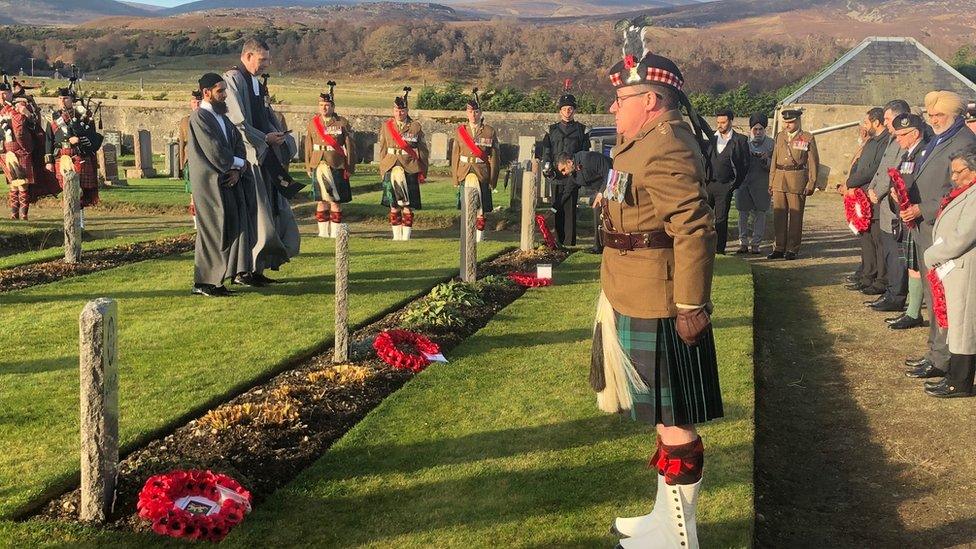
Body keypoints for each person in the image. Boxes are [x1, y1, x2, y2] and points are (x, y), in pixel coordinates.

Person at [591, 52, 720, 549]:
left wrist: (690, 304)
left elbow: (691, 226)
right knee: (663, 417)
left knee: (674, 419)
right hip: (633, 288)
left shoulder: (665, 145)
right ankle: (662, 519)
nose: (612, 107)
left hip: (662, 300)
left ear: (650, 100)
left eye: (621, 99)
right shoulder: (639, 141)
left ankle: (678, 538)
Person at [903, 91, 976, 380]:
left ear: (955, 116)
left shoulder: (965, 143)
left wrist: (923, 207)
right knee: (934, 299)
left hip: (944, 229)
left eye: (940, 116)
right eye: (931, 116)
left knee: (945, 300)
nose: (934, 120)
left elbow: (962, 189)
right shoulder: (938, 139)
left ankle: (943, 359)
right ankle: (934, 354)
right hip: (927, 228)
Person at [223, 37, 300, 286]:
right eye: (262, 59)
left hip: (264, 156)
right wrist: (264, 138)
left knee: (267, 213)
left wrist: (279, 137)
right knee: (252, 213)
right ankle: (242, 271)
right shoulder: (233, 80)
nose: (266, 64)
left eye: (267, 59)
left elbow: (265, 116)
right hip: (249, 158)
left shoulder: (255, 83)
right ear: (247, 56)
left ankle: (258, 268)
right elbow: (238, 122)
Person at [187, 73, 251, 298]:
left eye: (224, 91)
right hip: (209, 183)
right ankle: (203, 281)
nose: (224, 95)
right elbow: (216, 152)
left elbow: (238, 145)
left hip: (227, 181)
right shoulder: (200, 118)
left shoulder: (223, 118)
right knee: (212, 231)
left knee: (228, 228)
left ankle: (217, 280)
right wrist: (238, 164)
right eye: (220, 91)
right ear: (207, 93)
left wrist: (237, 169)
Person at [921, 149, 976, 397]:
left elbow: (962, 236)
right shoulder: (967, 191)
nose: (954, 177)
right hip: (955, 267)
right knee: (957, 325)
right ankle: (954, 377)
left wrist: (932, 255)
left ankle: (960, 383)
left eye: (958, 171)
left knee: (964, 327)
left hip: (965, 267)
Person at [865, 100, 913, 319]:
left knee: (896, 254)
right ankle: (890, 291)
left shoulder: (901, 142)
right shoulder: (893, 140)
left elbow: (893, 171)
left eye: (887, 119)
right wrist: (873, 188)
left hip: (891, 205)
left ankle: (896, 296)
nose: (885, 123)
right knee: (887, 249)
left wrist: (879, 191)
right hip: (883, 203)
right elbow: (881, 169)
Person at [843, 107, 889, 295]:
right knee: (866, 238)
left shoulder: (885, 142)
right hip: (861, 197)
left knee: (878, 240)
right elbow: (858, 164)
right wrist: (850, 182)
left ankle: (881, 280)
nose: (864, 125)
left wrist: (853, 181)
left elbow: (874, 169)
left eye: (866, 122)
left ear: (876, 122)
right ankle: (867, 276)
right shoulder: (870, 142)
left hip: (874, 198)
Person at [44, 84, 103, 229]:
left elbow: (92, 137)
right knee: (66, 190)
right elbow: (48, 140)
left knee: (79, 191)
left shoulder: (82, 116)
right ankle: (69, 222)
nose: (62, 101)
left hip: (78, 155)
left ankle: (80, 223)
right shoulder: (53, 117)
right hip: (61, 156)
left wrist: (79, 139)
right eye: (60, 98)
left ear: (72, 100)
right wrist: (49, 161)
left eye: (65, 98)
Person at [305, 82, 356, 239]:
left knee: (335, 200)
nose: (323, 108)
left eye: (327, 105)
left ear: (332, 106)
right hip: (317, 163)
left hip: (336, 164)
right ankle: (322, 232)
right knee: (321, 200)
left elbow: (350, 146)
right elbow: (308, 145)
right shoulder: (313, 123)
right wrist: (308, 165)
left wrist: (350, 166)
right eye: (321, 105)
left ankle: (335, 232)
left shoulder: (342, 123)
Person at [767, 108, 819, 260]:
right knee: (779, 215)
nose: (787, 125)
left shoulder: (807, 137)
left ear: (797, 121)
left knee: (796, 216)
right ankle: (779, 247)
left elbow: (813, 162)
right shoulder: (780, 136)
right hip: (779, 178)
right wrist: (771, 181)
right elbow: (774, 160)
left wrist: (811, 183)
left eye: (790, 122)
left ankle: (792, 248)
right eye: (785, 122)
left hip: (797, 179)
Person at [379, 87, 428, 241]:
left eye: (402, 110)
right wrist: (382, 169)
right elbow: (383, 149)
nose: (399, 113)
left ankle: (406, 236)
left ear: (407, 110)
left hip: (410, 167)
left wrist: (423, 171)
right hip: (390, 166)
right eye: (396, 110)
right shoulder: (386, 126)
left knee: (407, 205)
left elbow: (423, 151)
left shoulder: (415, 127)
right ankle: (396, 236)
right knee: (393, 205)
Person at [541, 93, 590, 246]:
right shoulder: (551, 130)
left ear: (574, 111)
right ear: (560, 111)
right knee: (557, 207)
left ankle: (569, 242)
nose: (567, 111)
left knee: (570, 209)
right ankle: (557, 240)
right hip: (556, 174)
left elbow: (584, 153)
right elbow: (547, 152)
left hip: (572, 174)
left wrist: (579, 171)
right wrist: (547, 166)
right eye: (564, 108)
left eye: (570, 108)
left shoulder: (582, 130)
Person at [451, 89, 499, 242]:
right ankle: (467, 234)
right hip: (464, 171)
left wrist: (493, 179)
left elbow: (495, 157)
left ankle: (479, 236)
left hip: (481, 171)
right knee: (466, 206)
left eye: (476, 112)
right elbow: (455, 155)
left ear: (481, 113)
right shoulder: (460, 131)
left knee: (481, 207)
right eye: (471, 112)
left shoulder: (489, 131)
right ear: (467, 113)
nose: (473, 115)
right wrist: (455, 178)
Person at [706, 108, 749, 254]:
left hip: (725, 186)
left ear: (731, 121)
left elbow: (744, 165)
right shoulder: (710, 138)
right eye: (718, 122)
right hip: (708, 184)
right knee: (703, 218)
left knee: (721, 219)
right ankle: (703, 247)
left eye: (723, 122)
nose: (720, 125)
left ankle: (719, 250)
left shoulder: (740, 140)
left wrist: (733, 184)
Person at [556, 149, 612, 253]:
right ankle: (598, 246)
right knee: (597, 209)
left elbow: (609, 171)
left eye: (563, 169)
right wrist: (553, 210)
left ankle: (600, 245)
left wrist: (601, 193)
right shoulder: (574, 176)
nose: (563, 174)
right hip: (603, 190)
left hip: (613, 182)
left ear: (569, 162)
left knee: (597, 208)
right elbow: (566, 193)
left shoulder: (589, 158)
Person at [734, 113, 774, 254]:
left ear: (765, 130)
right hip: (744, 183)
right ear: (750, 129)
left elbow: (774, 166)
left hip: (762, 183)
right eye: (755, 129)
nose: (758, 132)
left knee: (760, 213)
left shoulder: (771, 144)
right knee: (742, 213)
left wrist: (765, 160)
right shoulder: (743, 142)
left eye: (761, 129)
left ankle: (756, 244)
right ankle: (743, 243)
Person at [178, 89, 203, 228]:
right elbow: (182, 144)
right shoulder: (185, 121)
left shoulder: (208, 118)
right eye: (194, 102)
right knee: (193, 193)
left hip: (204, 161)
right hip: (190, 161)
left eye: (199, 102)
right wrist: (181, 166)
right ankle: (195, 222)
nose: (197, 105)